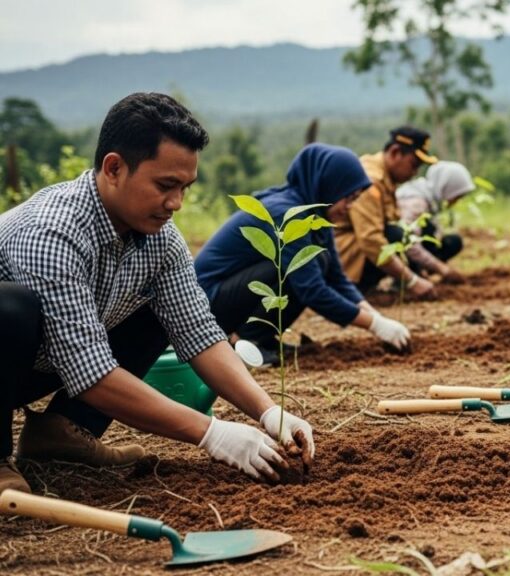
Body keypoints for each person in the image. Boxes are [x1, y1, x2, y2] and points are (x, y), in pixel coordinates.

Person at [0, 93, 313, 494]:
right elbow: (89, 372)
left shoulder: (161, 239)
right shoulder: (53, 232)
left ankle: (63, 431)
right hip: (13, 351)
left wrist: (269, 412)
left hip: (34, 364)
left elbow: (199, 331)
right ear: (114, 168)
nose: (176, 203)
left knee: (156, 310)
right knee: (11, 309)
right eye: (165, 185)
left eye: (185, 187)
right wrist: (211, 433)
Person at [194, 144, 411, 362]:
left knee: (319, 259)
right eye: (348, 197)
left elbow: (336, 277)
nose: (350, 206)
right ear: (330, 187)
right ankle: (248, 341)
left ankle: (263, 338)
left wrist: (375, 314)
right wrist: (374, 325)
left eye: (355, 199)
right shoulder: (288, 213)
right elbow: (312, 290)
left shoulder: (316, 215)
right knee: (302, 264)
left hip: (232, 293)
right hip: (209, 304)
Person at [335, 126, 439, 297]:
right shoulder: (370, 181)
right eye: (413, 165)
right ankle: (351, 288)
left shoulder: (386, 178)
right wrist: (412, 280)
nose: (414, 173)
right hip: (342, 255)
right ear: (395, 152)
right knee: (395, 235)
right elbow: (370, 239)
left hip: (354, 250)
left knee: (408, 232)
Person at [395, 160, 475, 284]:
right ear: (447, 188)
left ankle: (419, 271)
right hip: (399, 251)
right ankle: (406, 278)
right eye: (457, 196)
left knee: (452, 241)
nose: (456, 201)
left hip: (411, 249)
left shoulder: (429, 197)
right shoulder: (416, 203)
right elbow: (407, 242)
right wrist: (442, 269)